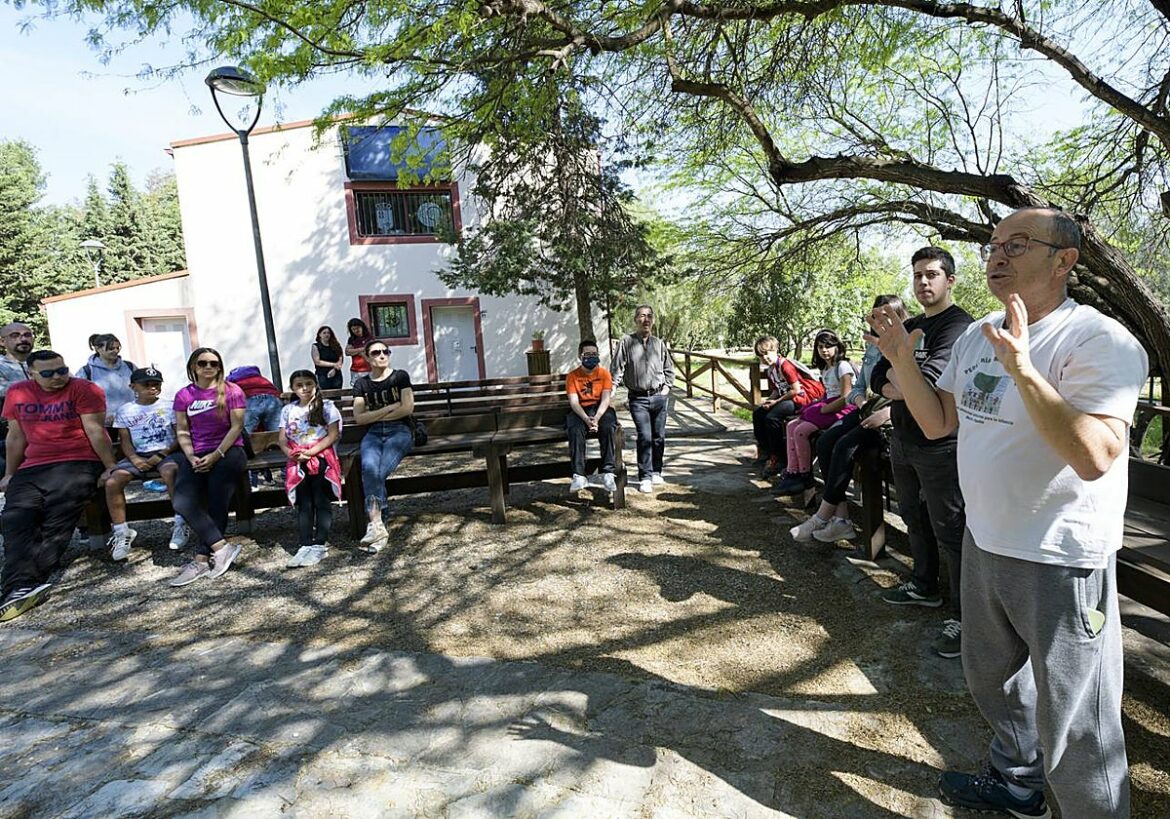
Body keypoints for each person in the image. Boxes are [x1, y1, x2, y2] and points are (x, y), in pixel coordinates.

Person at [870, 208, 1145, 817]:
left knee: (1079, 722)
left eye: (1018, 245)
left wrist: (1023, 368)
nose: (997, 256)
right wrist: (900, 358)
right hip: (986, 541)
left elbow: (1096, 455)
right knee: (991, 681)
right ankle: (1017, 784)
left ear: (1064, 260)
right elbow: (939, 420)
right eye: (994, 245)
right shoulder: (977, 334)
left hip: (1061, 558)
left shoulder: (1099, 339)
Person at [869, 247, 974, 659]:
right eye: (917, 276)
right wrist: (899, 384)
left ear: (950, 280)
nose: (923, 282)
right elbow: (879, 374)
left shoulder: (957, 327)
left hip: (941, 447)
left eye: (932, 274)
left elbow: (931, 383)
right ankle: (924, 585)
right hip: (904, 439)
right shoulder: (910, 324)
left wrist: (902, 379)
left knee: (950, 527)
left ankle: (965, 617)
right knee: (912, 515)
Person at [0, 350, 117, 621]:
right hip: (34, 465)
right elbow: (15, 436)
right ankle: (21, 585)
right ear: (31, 374)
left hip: (78, 461)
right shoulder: (18, 392)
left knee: (57, 519)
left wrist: (110, 466)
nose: (58, 377)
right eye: (49, 373)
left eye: (62, 370)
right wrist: (9, 473)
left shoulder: (84, 389)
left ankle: (18, 584)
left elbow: (95, 431)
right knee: (15, 518)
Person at [790, 296, 908, 543]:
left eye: (886, 316)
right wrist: (861, 402)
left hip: (890, 416)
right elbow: (858, 388)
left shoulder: (908, 344)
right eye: (876, 317)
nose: (880, 322)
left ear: (898, 316)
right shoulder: (873, 348)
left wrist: (886, 414)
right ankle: (841, 519)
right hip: (866, 408)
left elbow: (915, 391)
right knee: (824, 442)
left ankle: (822, 516)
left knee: (844, 445)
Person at [168, 348, 248, 587]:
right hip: (196, 454)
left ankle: (201, 559)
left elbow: (236, 427)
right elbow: (182, 430)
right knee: (182, 501)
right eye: (202, 363)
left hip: (229, 450)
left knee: (216, 499)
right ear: (194, 366)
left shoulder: (232, 391)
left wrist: (216, 455)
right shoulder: (184, 395)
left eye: (214, 363)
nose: (208, 367)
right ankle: (221, 547)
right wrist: (191, 456)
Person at [103, 367, 188, 560]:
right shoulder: (125, 410)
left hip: (167, 452)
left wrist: (161, 454)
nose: (152, 388)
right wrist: (134, 459)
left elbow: (179, 435)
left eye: (156, 384)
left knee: (170, 472)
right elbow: (125, 440)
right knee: (112, 482)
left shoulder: (170, 406)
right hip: (138, 454)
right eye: (146, 384)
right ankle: (121, 531)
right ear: (133, 386)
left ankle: (181, 522)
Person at [775, 330, 856, 495]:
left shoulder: (842, 366)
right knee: (791, 425)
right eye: (820, 347)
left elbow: (846, 396)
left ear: (837, 346)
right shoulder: (826, 368)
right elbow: (828, 392)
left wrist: (825, 409)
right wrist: (819, 404)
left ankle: (805, 475)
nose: (824, 350)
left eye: (828, 346)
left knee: (801, 430)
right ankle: (793, 472)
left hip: (843, 407)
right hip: (829, 403)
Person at [352, 341, 414, 552]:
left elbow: (407, 408)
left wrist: (375, 414)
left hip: (400, 431)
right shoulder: (362, 384)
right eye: (375, 352)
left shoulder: (400, 376)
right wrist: (389, 407)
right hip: (373, 433)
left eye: (385, 351)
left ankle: (377, 525)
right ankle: (378, 528)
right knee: (369, 469)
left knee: (375, 473)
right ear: (367, 358)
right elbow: (359, 418)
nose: (382, 355)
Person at [279, 370, 342, 567]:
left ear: (315, 384)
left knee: (320, 498)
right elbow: (282, 438)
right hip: (297, 458)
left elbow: (333, 434)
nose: (304, 388)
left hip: (320, 456)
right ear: (293, 388)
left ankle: (320, 543)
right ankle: (305, 543)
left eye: (308, 383)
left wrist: (312, 451)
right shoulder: (288, 410)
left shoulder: (326, 406)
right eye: (299, 385)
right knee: (303, 501)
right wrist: (290, 453)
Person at [613, 305, 673, 495]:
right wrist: (611, 390)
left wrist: (667, 388)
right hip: (638, 399)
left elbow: (669, 368)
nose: (645, 319)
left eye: (649, 316)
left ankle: (656, 471)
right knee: (644, 437)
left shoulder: (658, 343)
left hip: (658, 397)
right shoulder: (626, 342)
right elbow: (616, 368)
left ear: (653, 320)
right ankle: (645, 476)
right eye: (641, 316)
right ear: (635, 320)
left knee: (658, 437)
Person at [751, 336, 824, 477]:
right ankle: (766, 451)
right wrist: (768, 401)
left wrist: (776, 402)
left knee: (772, 417)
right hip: (787, 398)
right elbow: (776, 390)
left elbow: (795, 390)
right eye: (761, 355)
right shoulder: (770, 370)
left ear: (776, 350)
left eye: (767, 353)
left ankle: (778, 457)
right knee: (758, 413)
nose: (765, 358)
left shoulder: (785, 365)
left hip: (801, 399)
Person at [565, 339, 619, 494]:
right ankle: (579, 475)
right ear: (580, 356)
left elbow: (606, 398)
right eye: (587, 354)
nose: (591, 357)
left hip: (600, 409)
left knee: (609, 426)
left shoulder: (604, 374)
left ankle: (608, 472)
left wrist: (597, 418)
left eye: (594, 354)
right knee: (574, 428)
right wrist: (587, 419)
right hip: (580, 410)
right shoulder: (572, 376)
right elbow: (574, 403)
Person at [75, 333, 136, 426]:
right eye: (111, 348)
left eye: (118, 348)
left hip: (133, 420)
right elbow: (78, 398)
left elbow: (141, 389)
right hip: (105, 424)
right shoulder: (86, 371)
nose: (116, 351)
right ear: (98, 349)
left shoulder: (129, 367)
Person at [0, 322, 33, 476]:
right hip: (8, 433)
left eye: (27, 335)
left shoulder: (44, 361)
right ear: (2, 341)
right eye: (15, 335)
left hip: (45, 431)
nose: (22, 339)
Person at [310, 325, 344, 391]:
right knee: (325, 396)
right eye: (324, 333)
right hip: (322, 375)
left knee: (337, 396)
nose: (326, 335)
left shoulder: (336, 345)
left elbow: (340, 359)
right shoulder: (316, 346)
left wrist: (334, 369)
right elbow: (317, 362)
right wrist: (334, 364)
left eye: (328, 333)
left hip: (336, 374)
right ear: (320, 334)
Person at [345, 318, 373, 387]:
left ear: (362, 327)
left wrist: (354, 350)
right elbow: (347, 352)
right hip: (355, 370)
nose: (356, 331)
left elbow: (369, 350)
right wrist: (362, 349)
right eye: (353, 329)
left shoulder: (369, 338)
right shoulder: (351, 339)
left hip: (369, 369)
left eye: (357, 328)